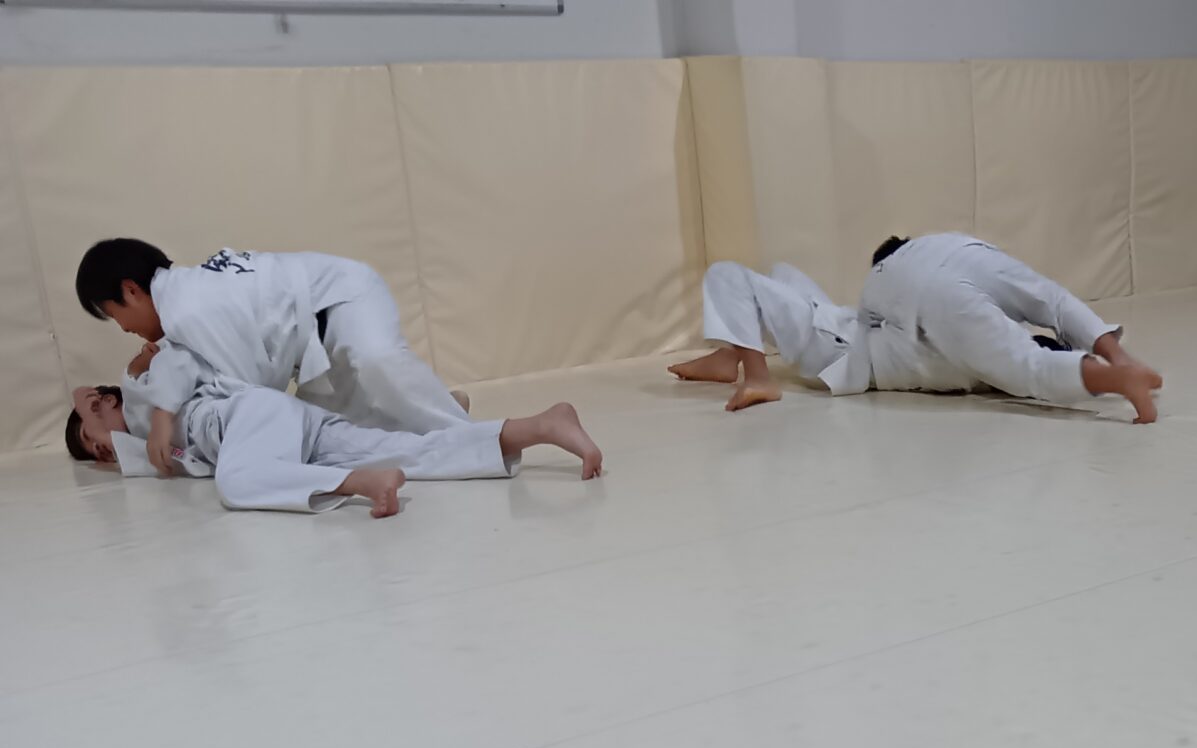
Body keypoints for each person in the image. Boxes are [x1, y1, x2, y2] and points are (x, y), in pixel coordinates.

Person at [65, 369, 600, 517]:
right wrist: (101, 438)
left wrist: (87, 405)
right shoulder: (147, 439)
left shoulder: (142, 390)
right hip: (288, 429)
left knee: (236, 482)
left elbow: (127, 398)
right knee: (408, 453)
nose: (102, 450)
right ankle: (540, 425)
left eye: (92, 436)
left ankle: (352, 483)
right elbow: (143, 458)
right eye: (93, 454)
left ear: (100, 402)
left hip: (253, 419)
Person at [75, 238, 471, 436]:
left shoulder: (186, 309)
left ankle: (476, 435)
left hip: (343, 298)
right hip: (316, 344)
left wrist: (165, 411)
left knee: (377, 364)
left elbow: (252, 390)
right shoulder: (186, 295)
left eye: (113, 315)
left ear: (130, 290)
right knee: (342, 435)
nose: (123, 327)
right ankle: (443, 405)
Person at [841, 233, 1163, 423]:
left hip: (935, 292)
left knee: (1026, 367)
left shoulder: (877, 278)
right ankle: (1121, 358)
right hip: (970, 253)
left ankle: (1118, 378)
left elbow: (866, 337)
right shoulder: (934, 240)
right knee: (1052, 300)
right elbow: (1052, 300)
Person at [668, 261, 870, 410]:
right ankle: (728, 356)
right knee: (782, 272)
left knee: (724, 274)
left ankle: (758, 379)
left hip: (842, 346)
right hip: (845, 327)